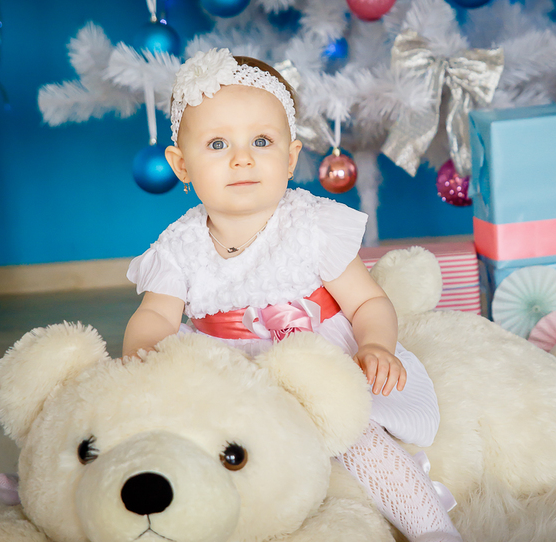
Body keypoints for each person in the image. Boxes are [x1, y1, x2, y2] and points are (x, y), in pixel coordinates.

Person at [122, 49, 462, 542]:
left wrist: (376, 345)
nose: (242, 158)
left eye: (261, 141)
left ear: (289, 157)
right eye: (217, 144)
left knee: (359, 440)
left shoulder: (311, 225)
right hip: (236, 379)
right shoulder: (179, 246)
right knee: (205, 449)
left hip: (321, 367)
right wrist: (143, 357)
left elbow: (367, 302)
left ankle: (431, 528)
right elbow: (155, 315)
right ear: (181, 164)